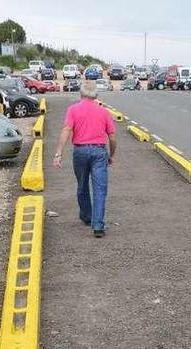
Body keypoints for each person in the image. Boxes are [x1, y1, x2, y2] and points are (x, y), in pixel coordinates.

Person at [54, 80, 117, 238]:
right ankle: (98, 225)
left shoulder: (73, 110)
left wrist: (58, 153)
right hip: (99, 152)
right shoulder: (104, 112)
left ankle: (87, 216)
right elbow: (112, 137)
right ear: (96, 95)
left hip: (80, 152)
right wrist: (111, 155)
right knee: (100, 189)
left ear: (81, 94)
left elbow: (66, 130)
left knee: (82, 185)